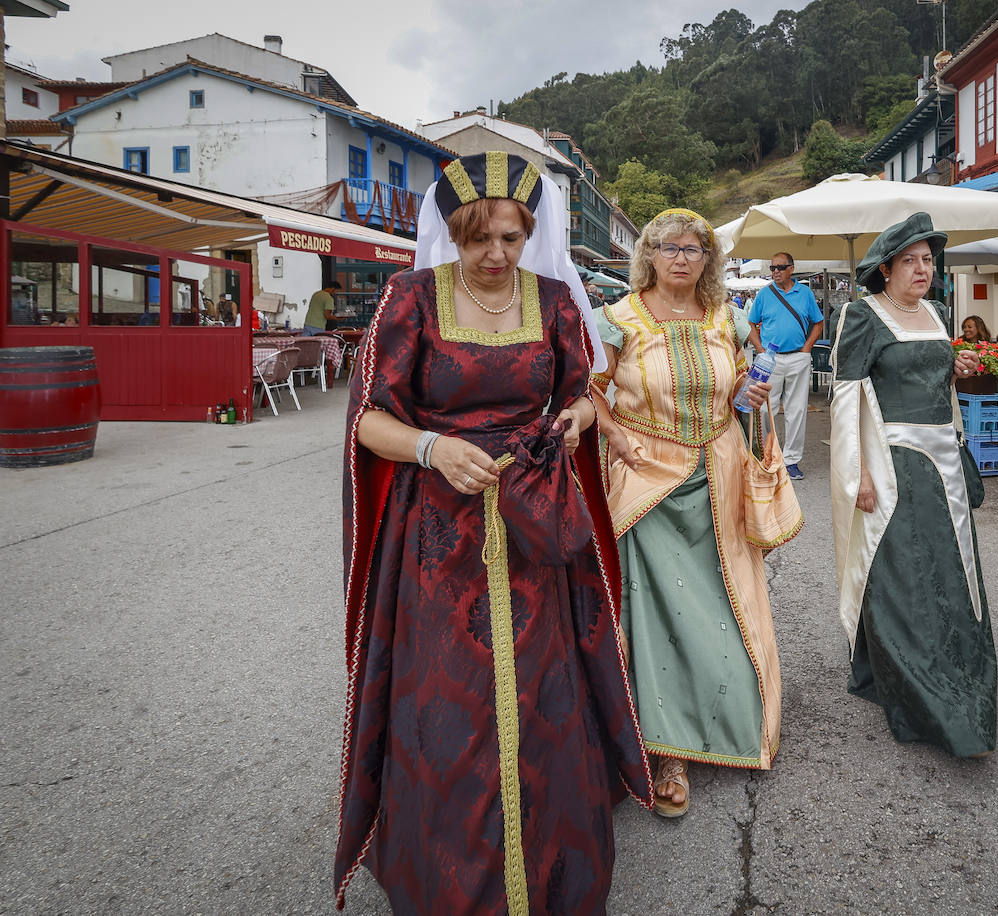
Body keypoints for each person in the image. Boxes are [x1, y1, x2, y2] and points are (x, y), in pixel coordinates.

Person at [334, 152, 653, 914]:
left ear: (528, 233)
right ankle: (451, 881)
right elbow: (369, 419)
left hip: (539, 534)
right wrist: (432, 447)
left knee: (546, 696)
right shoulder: (408, 299)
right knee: (449, 704)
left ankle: (553, 876)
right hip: (436, 540)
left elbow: (584, 401)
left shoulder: (555, 304)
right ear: (453, 233)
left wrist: (571, 423)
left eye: (511, 238)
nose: (495, 255)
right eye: (478, 239)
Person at [590, 208, 787, 818]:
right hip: (646, 480)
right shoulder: (617, 318)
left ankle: (719, 720)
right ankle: (665, 748)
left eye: (694, 248)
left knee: (721, 611)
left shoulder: (725, 319)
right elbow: (586, 393)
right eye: (669, 247)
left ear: (709, 260)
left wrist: (746, 394)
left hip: (716, 478)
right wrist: (616, 437)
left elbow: (729, 390)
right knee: (659, 618)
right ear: (649, 254)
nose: (682, 256)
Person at [830, 211, 997, 758]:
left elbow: (933, 382)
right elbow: (848, 395)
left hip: (944, 457)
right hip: (896, 461)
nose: (923, 269)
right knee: (903, 573)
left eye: (928, 259)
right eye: (910, 260)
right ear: (885, 269)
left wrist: (952, 369)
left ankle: (958, 668)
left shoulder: (938, 312)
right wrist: (858, 474)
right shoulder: (864, 315)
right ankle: (917, 687)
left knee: (951, 570)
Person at [748, 251, 823, 480]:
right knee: (763, 408)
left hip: (798, 357)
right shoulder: (764, 294)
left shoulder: (805, 293)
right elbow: (750, 324)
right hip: (770, 358)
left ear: (791, 268)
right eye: (772, 268)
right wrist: (761, 350)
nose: (775, 272)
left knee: (797, 409)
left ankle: (791, 460)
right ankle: (768, 454)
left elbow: (818, 322)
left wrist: (807, 347)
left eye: (780, 267)